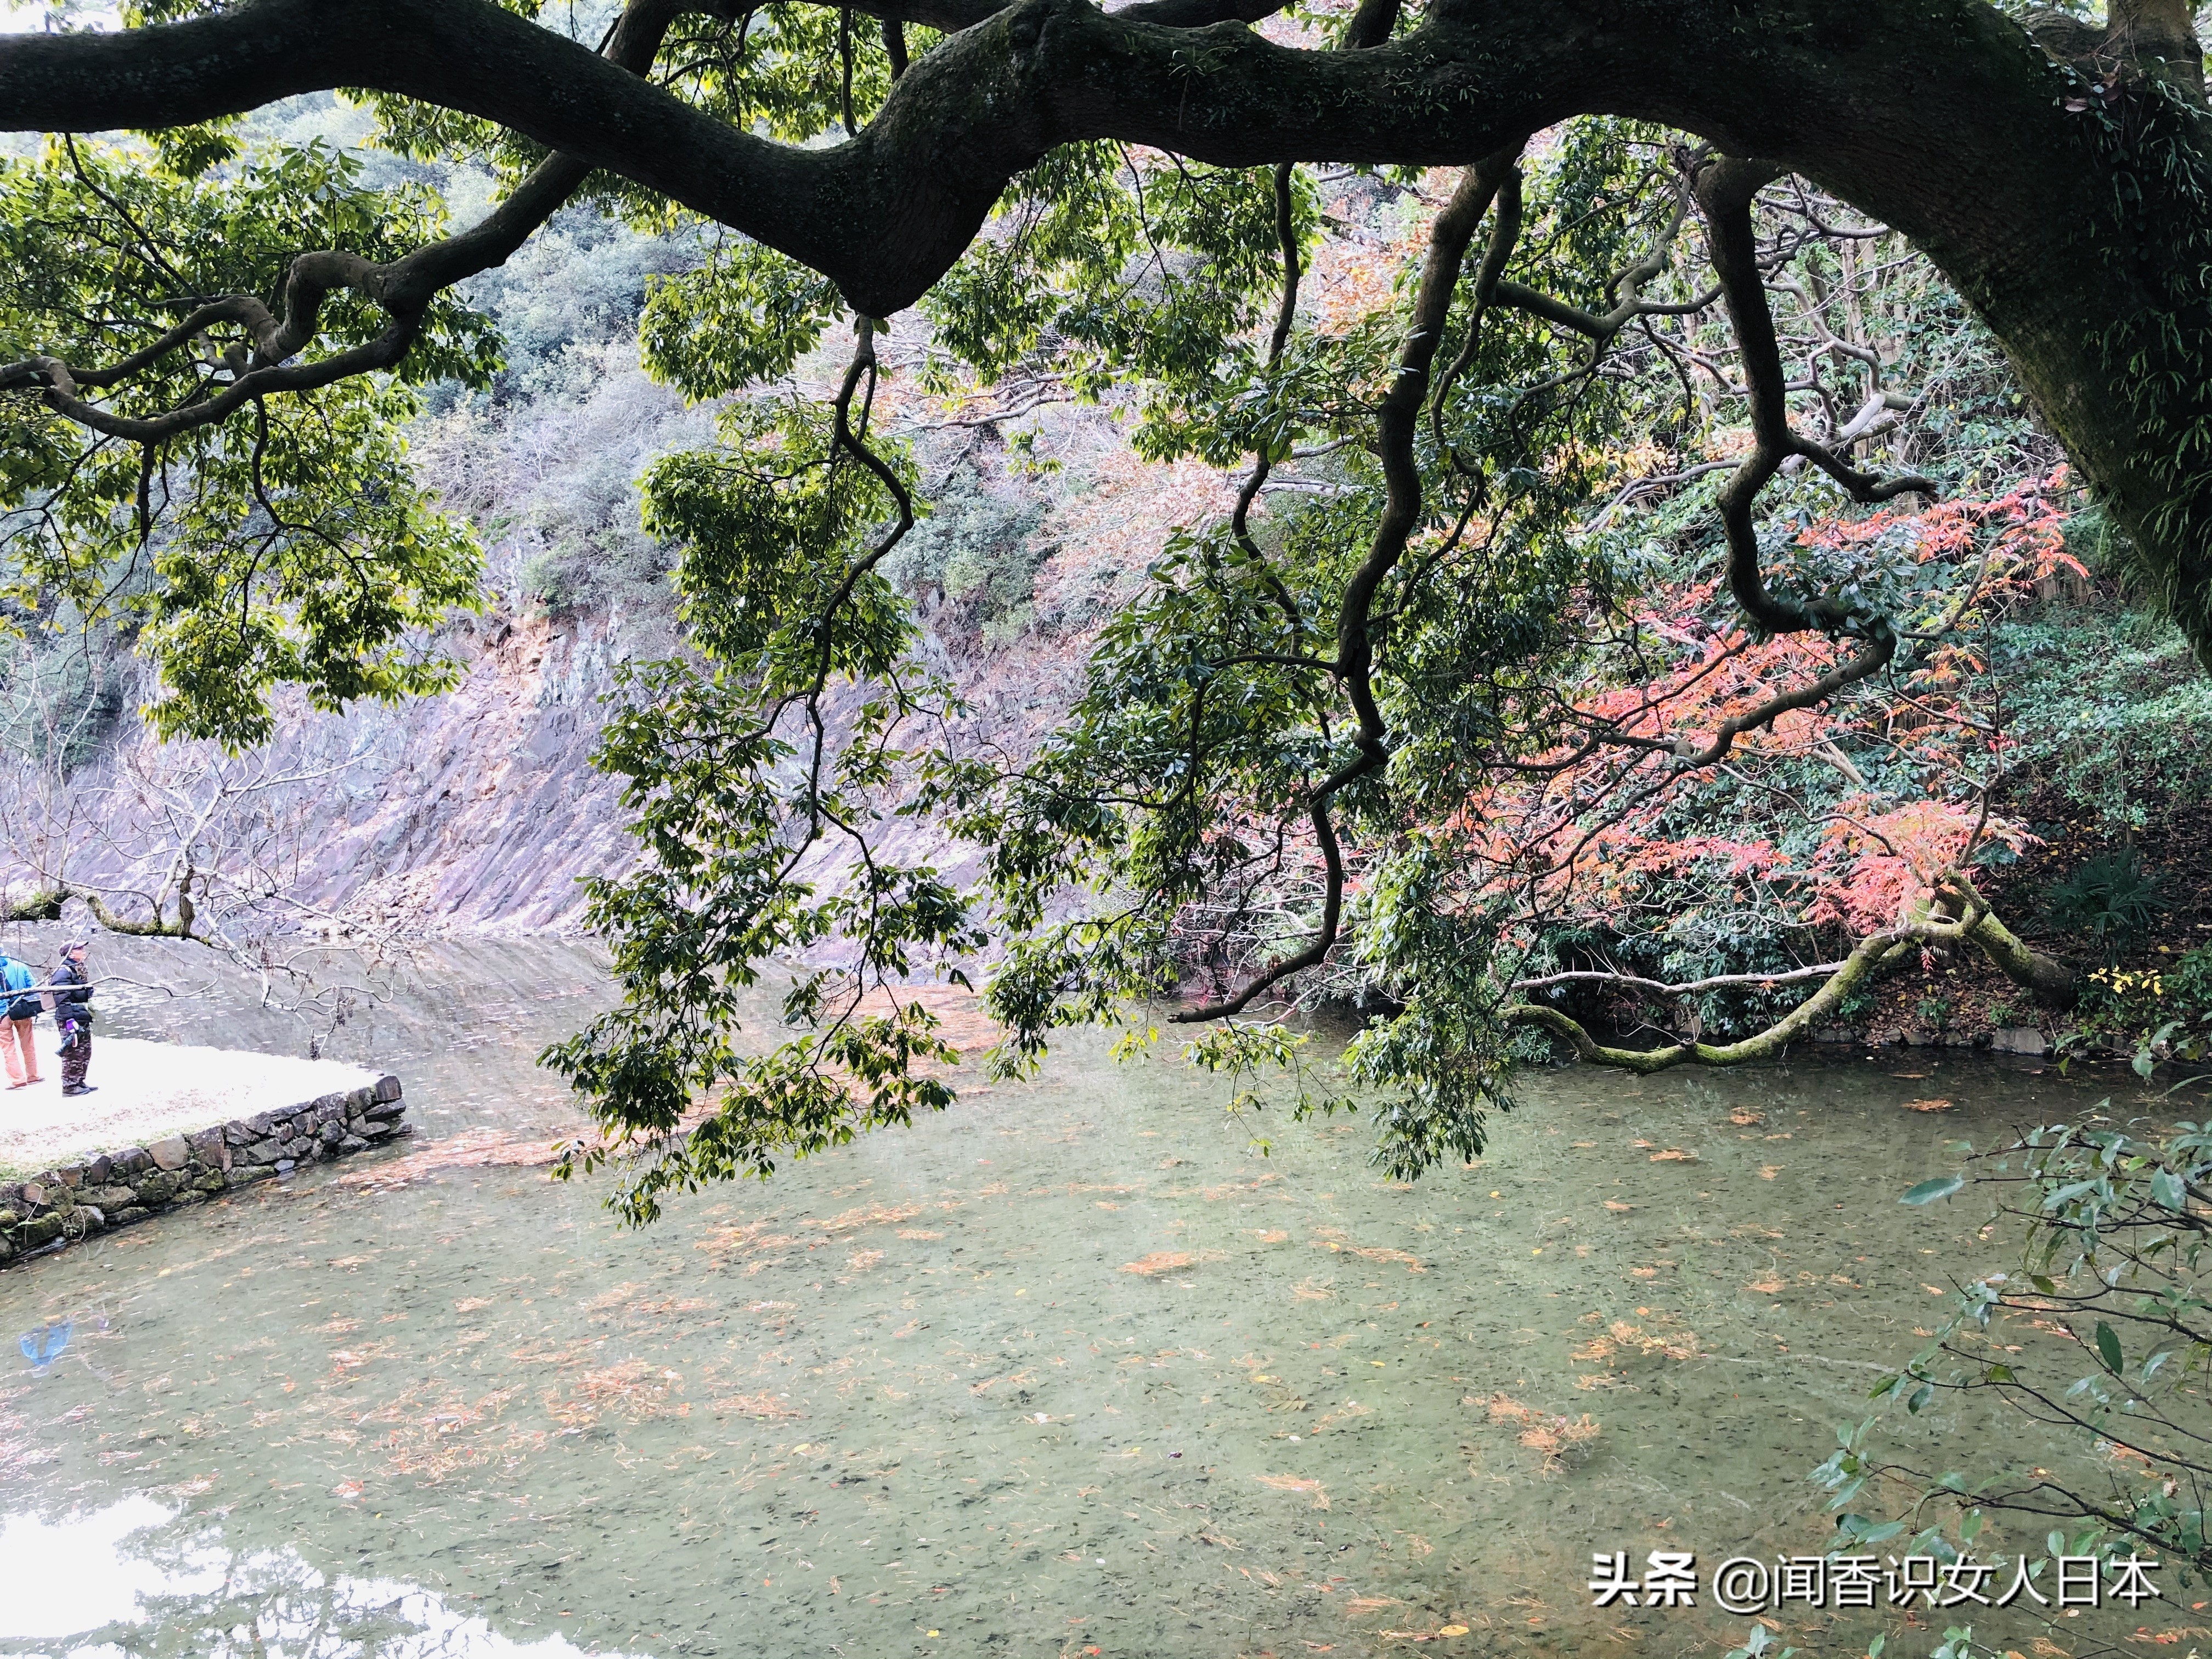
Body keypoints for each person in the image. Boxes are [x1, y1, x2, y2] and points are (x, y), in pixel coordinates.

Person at [52, 940, 92, 1097]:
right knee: (72, 1052)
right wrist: (69, 1020)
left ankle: (79, 1082)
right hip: (70, 1018)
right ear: (70, 953)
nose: (83, 951)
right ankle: (69, 1086)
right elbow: (61, 998)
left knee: (85, 1051)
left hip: (81, 1016)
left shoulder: (77, 969)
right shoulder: (63, 972)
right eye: (79, 949)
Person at [0, 948, 37, 1088]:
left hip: (1, 1014)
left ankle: (18, 1080)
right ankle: (33, 1076)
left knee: (8, 1048)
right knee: (28, 1044)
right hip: (22, 1010)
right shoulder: (19, 966)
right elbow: (32, 987)